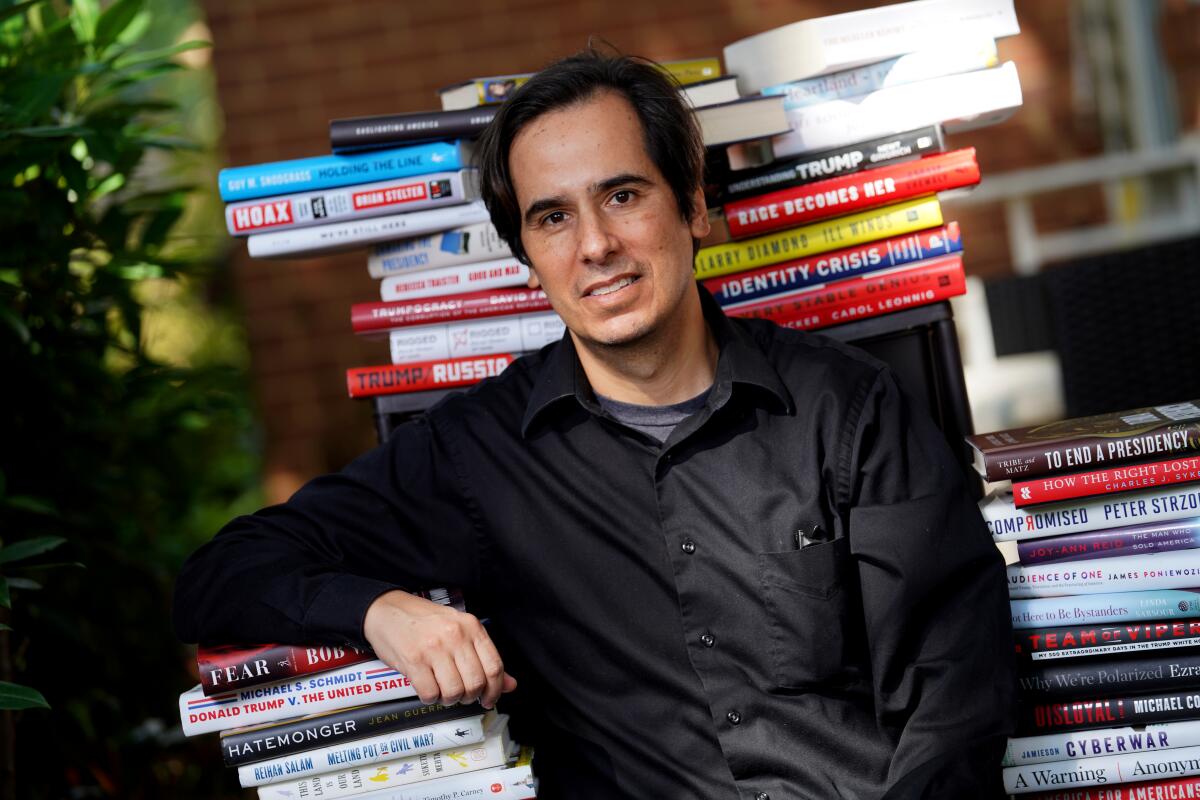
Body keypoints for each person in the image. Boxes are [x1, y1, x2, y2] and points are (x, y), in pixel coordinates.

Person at [175, 50, 1016, 799]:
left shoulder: (848, 409)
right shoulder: (477, 453)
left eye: (622, 195)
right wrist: (376, 610)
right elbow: (217, 577)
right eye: (554, 217)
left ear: (692, 208)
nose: (596, 246)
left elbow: (953, 707)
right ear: (528, 256)